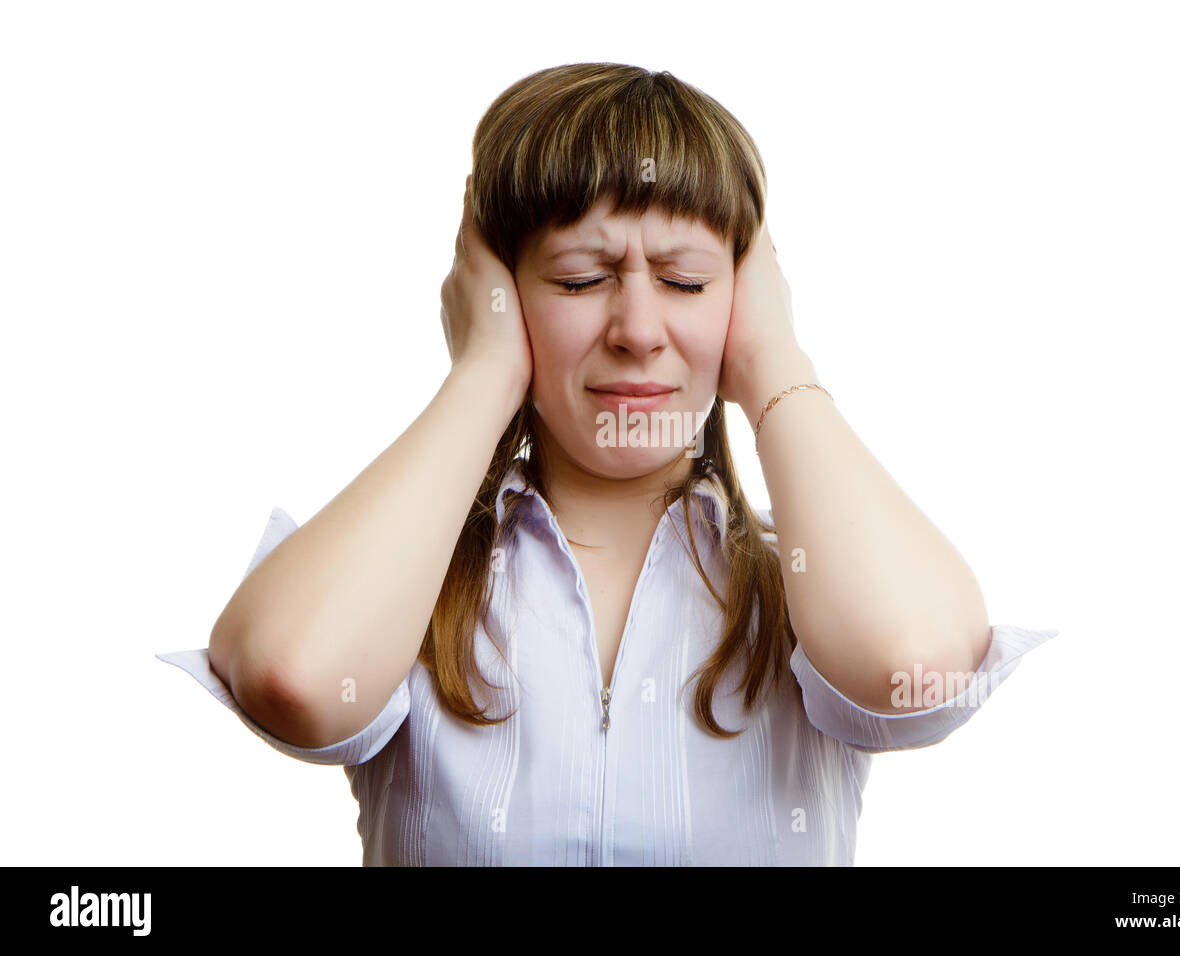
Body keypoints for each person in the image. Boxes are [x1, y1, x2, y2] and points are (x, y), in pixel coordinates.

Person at [158, 62, 1058, 866]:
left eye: (686, 281)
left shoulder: (815, 589)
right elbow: (295, 677)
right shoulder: (404, 588)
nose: (635, 330)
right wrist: (484, 372)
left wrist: (776, 362)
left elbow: (916, 663)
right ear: (498, 295)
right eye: (581, 280)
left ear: (744, 301)